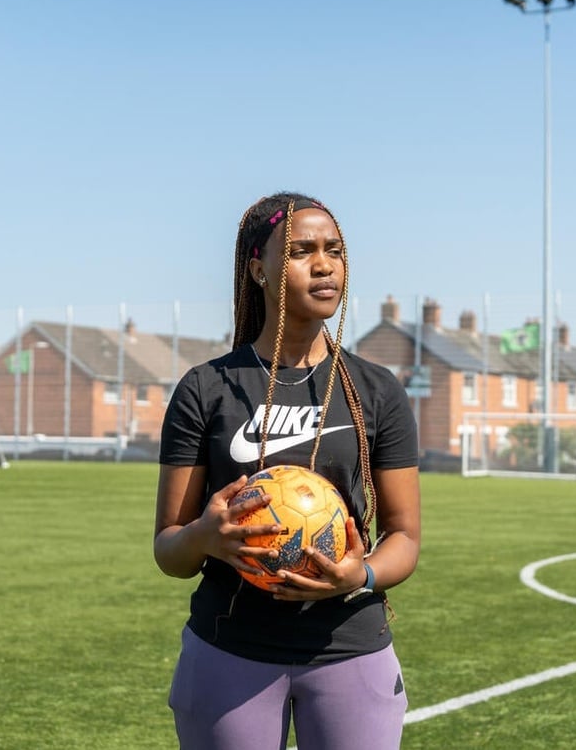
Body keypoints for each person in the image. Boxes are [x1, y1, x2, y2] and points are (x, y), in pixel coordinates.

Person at [153, 192, 421, 750]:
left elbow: (405, 537)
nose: (324, 264)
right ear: (257, 268)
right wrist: (205, 535)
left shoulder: (378, 391)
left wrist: (361, 575)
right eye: (301, 251)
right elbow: (169, 550)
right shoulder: (206, 389)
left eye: (335, 251)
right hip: (231, 649)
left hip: (350, 646)